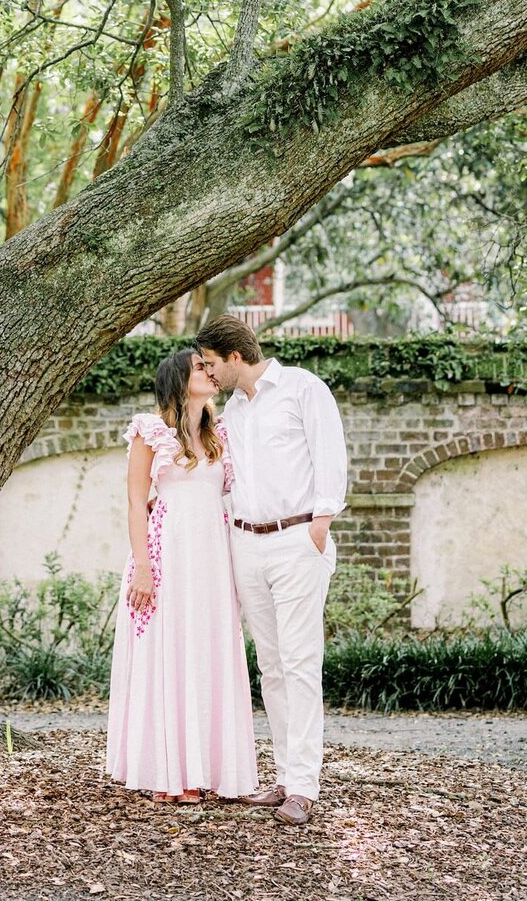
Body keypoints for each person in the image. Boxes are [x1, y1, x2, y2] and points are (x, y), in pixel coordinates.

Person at [196, 316, 348, 828]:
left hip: (296, 539)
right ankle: (284, 777)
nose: (208, 374)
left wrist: (320, 523)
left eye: (211, 364)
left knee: (302, 663)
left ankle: (304, 787)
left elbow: (331, 457)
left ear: (234, 356)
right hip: (246, 543)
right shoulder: (231, 414)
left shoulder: (303, 388)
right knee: (273, 667)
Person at [104, 347, 258, 804]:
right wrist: (144, 568)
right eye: (200, 368)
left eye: (211, 367)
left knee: (206, 654)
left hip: (211, 558)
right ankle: (168, 771)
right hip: (165, 554)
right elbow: (135, 501)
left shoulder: (220, 435)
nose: (211, 374)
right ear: (177, 378)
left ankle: (207, 767)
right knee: (168, 653)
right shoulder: (149, 431)